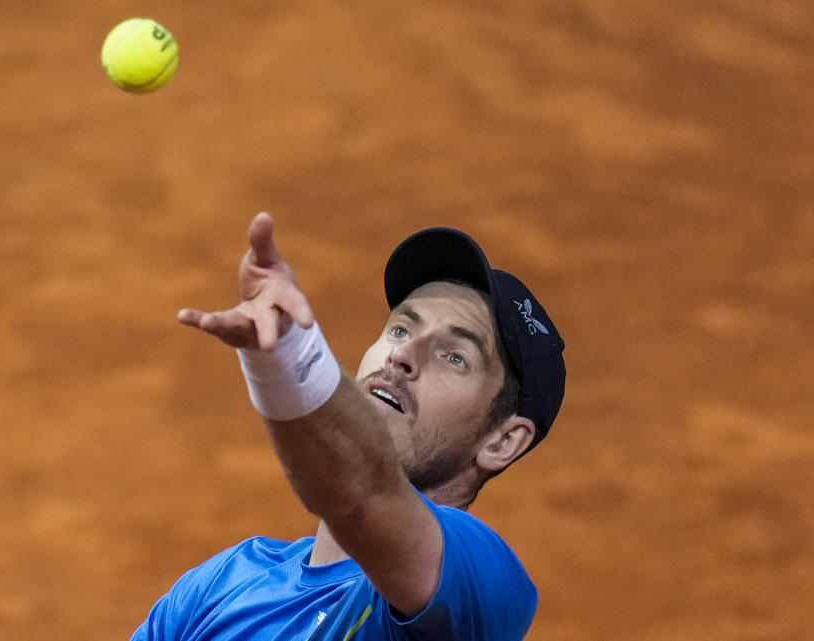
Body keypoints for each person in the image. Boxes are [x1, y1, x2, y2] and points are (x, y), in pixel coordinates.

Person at [131, 212, 566, 641]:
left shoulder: (481, 589)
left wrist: (289, 357)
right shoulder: (227, 582)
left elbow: (360, 492)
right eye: (400, 329)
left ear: (503, 440)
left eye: (455, 357)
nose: (402, 355)